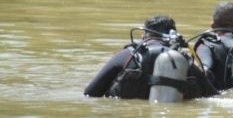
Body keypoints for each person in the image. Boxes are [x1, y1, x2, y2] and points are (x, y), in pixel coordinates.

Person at [85, 15, 217, 100]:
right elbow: (213, 96)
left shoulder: (127, 56)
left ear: (144, 36)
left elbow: (90, 93)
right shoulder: (183, 61)